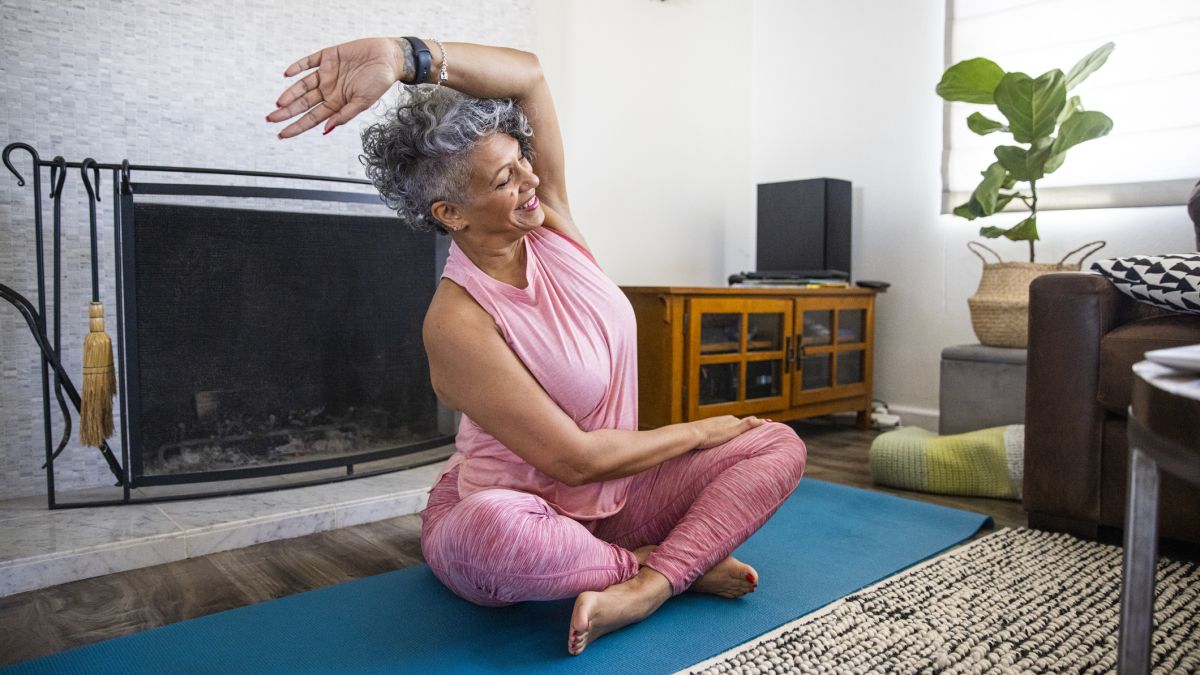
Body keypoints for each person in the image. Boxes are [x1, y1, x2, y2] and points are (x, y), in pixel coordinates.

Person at [267, 36, 807, 656]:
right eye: (504, 177)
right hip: (515, 515)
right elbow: (575, 462)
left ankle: (651, 581)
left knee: (776, 444)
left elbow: (528, 77)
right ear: (453, 214)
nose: (530, 177)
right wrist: (700, 432)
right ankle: (656, 567)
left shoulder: (549, 219)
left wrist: (403, 57)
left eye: (522, 157)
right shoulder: (457, 320)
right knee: (495, 535)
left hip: (618, 497)